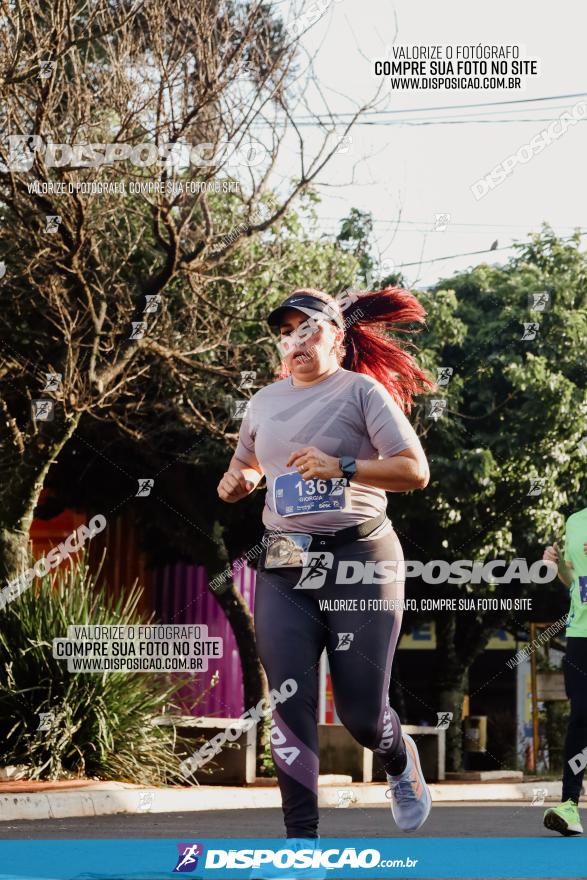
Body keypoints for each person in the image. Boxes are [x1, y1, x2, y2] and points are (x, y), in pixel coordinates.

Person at [217, 286, 434, 843]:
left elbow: (414, 470)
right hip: (286, 560)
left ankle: (396, 754)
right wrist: (240, 480)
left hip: (359, 556)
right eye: (285, 334)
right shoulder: (263, 401)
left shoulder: (362, 392)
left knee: (362, 716)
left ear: (336, 335)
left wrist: (341, 466)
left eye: (306, 329)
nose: (295, 341)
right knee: (289, 705)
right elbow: (249, 463)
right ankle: (302, 842)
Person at [542, 506, 587, 836]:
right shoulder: (575, 521)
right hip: (580, 635)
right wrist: (558, 569)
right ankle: (569, 805)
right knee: (581, 717)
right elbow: (577, 585)